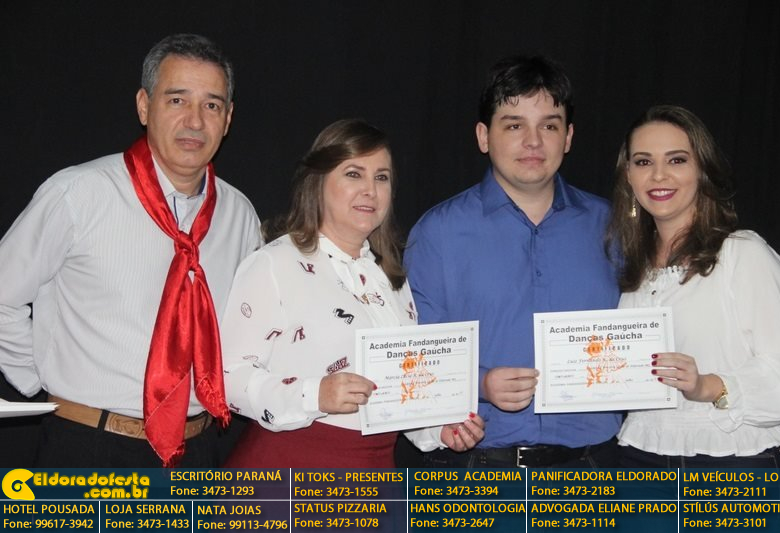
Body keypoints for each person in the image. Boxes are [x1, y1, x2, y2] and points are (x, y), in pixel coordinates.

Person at [0, 33, 262, 467]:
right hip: (89, 446)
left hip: (198, 450)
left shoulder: (240, 215)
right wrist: (39, 378)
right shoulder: (78, 194)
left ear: (228, 118)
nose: (195, 121)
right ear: (144, 106)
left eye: (212, 105)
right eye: (177, 100)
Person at [220, 118, 484, 468]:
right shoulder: (274, 264)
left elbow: (398, 390)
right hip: (289, 470)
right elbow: (228, 377)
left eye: (381, 177)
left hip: (374, 471)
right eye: (354, 174)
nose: (370, 190)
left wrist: (438, 429)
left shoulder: (389, 277)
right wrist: (315, 394)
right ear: (318, 182)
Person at [401, 55, 620, 468]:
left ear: (569, 137)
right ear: (484, 136)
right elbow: (413, 357)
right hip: (479, 472)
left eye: (549, 126)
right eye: (514, 125)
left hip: (595, 468)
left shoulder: (613, 227)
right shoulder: (437, 233)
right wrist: (480, 384)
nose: (533, 141)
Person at [606, 104, 780, 468]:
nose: (658, 175)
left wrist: (707, 386)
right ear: (628, 175)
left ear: (702, 170)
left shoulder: (743, 254)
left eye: (677, 160)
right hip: (640, 456)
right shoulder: (631, 266)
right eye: (644, 162)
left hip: (732, 460)